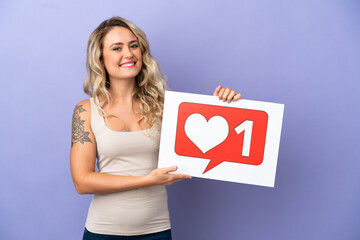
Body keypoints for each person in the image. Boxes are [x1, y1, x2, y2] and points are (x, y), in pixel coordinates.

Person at [70, 16, 242, 240]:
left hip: (157, 231)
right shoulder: (86, 111)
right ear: (101, 58)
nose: (129, 54)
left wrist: (224, 105)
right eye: (117, 48)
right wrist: (147, 180)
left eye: (134, 45)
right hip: (103, 231)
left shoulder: (165, 106)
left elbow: (205, 143)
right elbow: (82, 181)